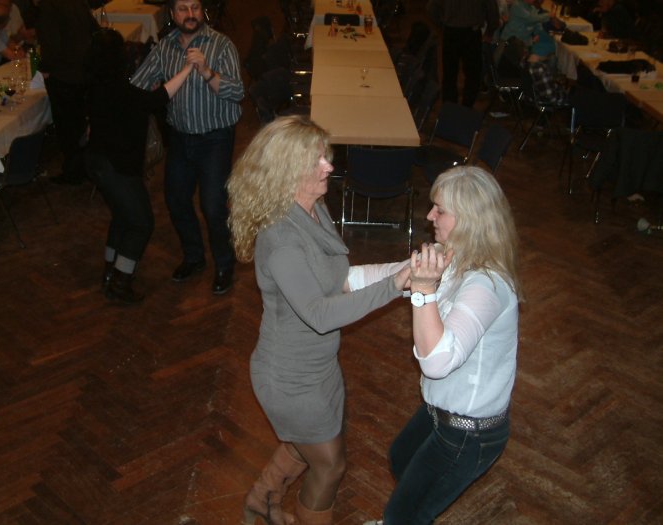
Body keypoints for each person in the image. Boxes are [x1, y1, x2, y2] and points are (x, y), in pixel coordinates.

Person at [227, 115, 411, 525]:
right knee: (330, 464)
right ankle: (265, 503)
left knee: (305, 443)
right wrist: (394, 285)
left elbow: (338, 279)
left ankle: (260, 501)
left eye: (326, 155)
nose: (329, 165)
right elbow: (319, 313)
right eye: (317, 160)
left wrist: (402, 270)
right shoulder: (281, 240)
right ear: (288, 169)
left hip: (320, 364)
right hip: (288, 376)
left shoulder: (313, 209)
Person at [365, 166, 521, 525]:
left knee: (402, 514)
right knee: (401, 458)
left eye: (440, 210)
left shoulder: (486, 285)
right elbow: (388, 275)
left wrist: (423, 291)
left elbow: (436, 363)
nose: (429, 216)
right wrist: (330, 281)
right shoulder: (451, 256)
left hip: (469, 433)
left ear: (469, 219)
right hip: (441, 413)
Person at [131, 0, 244, 295]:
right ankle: (194, 257)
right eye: (183, 8)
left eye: (194, 7)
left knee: (213, 205)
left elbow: (237, 92)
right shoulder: (165, 47)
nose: (190, 14)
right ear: (172, 14)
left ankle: (224, 263)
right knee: (177, 200)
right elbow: (137, 86)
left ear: (202, 10)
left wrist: (206, 71)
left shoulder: (221, 45)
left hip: (215, 138)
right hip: (180, 138)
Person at [84, 28, 195, 304]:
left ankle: (109, 272)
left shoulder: (96, 84)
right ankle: (120, 282)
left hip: (97, 162)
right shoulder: (120, 90)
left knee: (122, 217)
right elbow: (157, 100)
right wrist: (187, 69)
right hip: (116, 167)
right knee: (142, 223)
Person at [36, 0, 101, 186]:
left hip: (63, 75)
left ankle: (73, 172)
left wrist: (45, 69)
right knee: (80, 123)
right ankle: (84, 167)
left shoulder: (49, 7)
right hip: (82, 72)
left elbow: (51, 45)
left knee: (67, 128)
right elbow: (94, 29)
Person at [427, 0, 500, 107]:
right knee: (473, 75)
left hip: (451, 32)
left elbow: (431, 7)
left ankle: (449, 108)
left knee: (449, 74)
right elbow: (492, 10)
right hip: (472, 33)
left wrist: (442, 24)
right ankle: (466, 108)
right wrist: (490, 31)